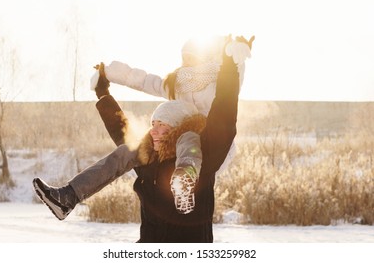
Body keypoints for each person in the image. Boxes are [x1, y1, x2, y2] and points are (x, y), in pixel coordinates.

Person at [33, 40, 242, 242]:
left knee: (190, 140)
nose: (155, 131)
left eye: (163, 125)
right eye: (154, 124)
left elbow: (224, 112)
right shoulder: (148, 160)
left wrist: (230, 67)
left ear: (175, 129)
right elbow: (121, 130)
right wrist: (103, 93)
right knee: (128, 149)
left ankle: (184, 180)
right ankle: (68, 197)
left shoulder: (205, 158)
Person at [90, 34, 254, 212]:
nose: (187, 61)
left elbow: (230, 88)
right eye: (184, 57)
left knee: (191, 141)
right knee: (169, 145)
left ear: (204, 58)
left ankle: (186, 180)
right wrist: (109, 72)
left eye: (192, 57)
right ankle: (178, 187)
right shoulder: (176, 83)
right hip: (179, 142)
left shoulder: (217, 80)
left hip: (210, 140)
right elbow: (145, 81)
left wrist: (235, 58)